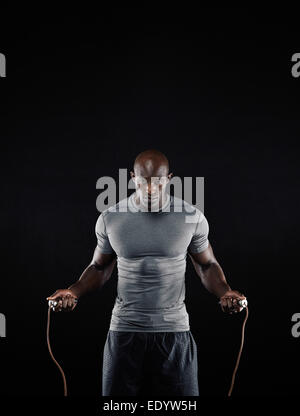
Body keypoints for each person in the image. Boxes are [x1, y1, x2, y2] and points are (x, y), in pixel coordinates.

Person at [47, 149, 247, 396]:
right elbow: (99, 268)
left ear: (169, 179)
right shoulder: (111, 217)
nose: (151, 189)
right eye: (143, 182)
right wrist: (73, 291)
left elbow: (207, 265)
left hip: (174, 332)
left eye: (158, 182)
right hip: (124, 332)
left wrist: (225, 292)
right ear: (132, 178)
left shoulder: (190, 216)